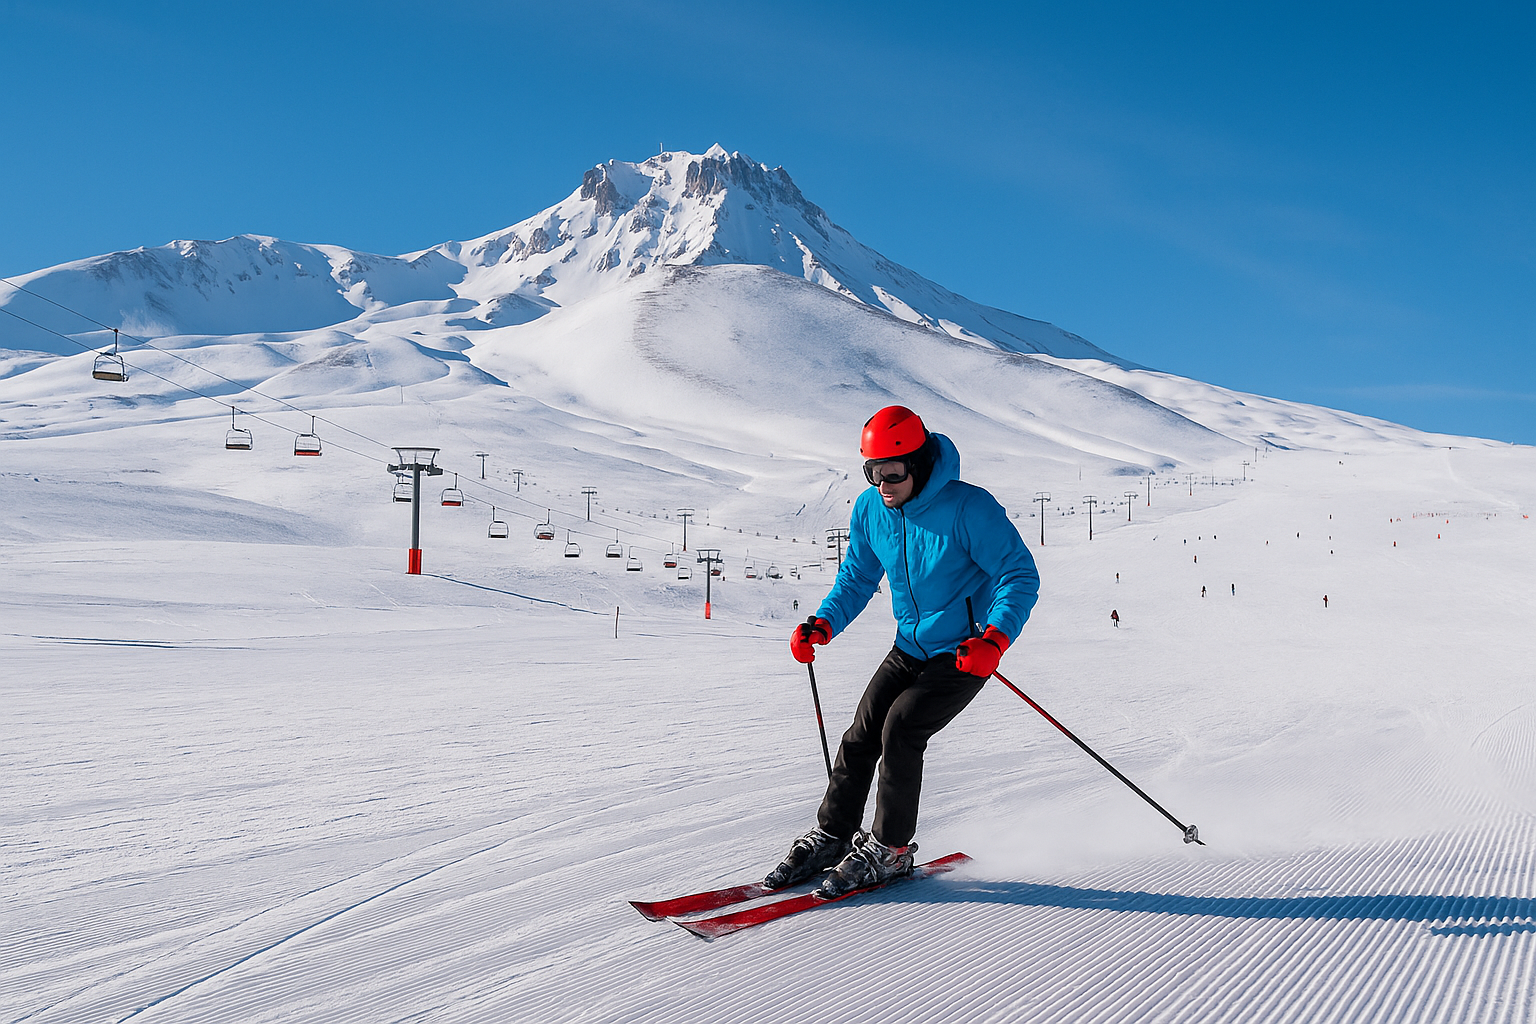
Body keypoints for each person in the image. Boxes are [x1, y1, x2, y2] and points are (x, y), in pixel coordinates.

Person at [765, 406, 1040, 898]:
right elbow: (857, 577)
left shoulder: (968, 509)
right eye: (872, 472)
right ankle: (833, 834)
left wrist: (994, 640)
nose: (882, 484)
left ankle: (891, 848)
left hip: (964, 651)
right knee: (862, 731)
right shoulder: (872, 509)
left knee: (903, 725)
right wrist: (823, 623)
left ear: (919, 463)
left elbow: (1019, 575)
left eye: (892, 473)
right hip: (909, 645)